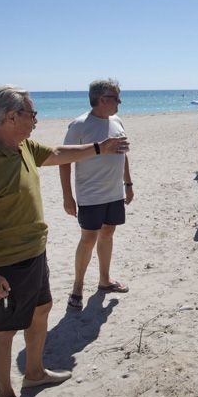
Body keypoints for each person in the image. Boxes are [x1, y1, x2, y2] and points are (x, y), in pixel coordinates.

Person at [0, 84, 129, 397]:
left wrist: (99, 148)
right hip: (7, 260)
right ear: (11, 116)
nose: (36, 119)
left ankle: (34, 373)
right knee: (5, 330)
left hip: (34, 250)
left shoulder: (20, 145)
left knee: (42, 309)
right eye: (31, 114)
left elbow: (56, 154)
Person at [59, 79, 134, 311]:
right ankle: (78, 286)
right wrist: (67, 197)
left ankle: (104, 280)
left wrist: (128, 183)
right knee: (88, 238)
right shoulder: (80, 125)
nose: (119, 102)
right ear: (102, 100)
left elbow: (124, 153)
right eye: (115, 97)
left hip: (114, 193)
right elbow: (64, 161)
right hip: (90, 194)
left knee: (108, 233)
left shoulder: (117, 121)